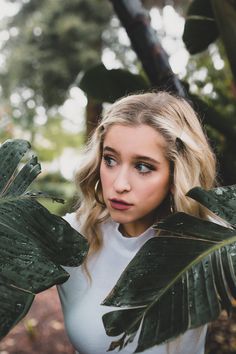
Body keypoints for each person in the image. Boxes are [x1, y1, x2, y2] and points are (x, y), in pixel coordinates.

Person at [57, 91, 216, 354]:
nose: (119, 185)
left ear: (176, 172)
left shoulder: (212, 241)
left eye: (143, 167)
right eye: (110, 160)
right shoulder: (69, 236)